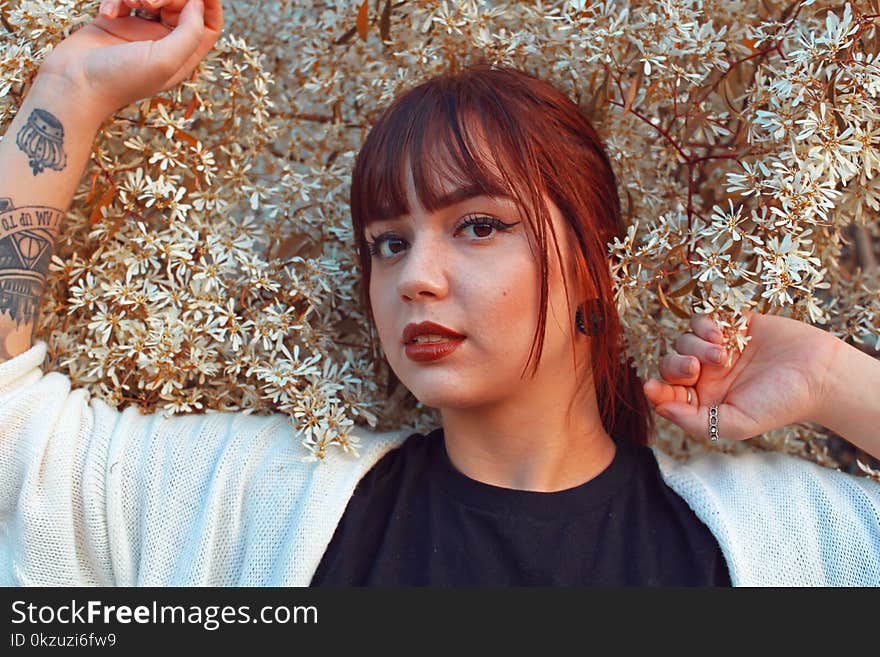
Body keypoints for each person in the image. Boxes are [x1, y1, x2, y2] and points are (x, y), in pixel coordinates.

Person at [0, 0, 877, 586]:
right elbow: (16, 438)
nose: (413, 276)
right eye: (387, 241)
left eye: (479, 225)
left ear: (594, 258)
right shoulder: (265, 500)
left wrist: (833, 379)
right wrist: (71, 88)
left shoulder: (773, 543)